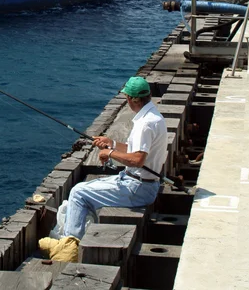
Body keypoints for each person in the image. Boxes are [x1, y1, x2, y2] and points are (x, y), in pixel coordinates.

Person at [39, 76, 168, 262]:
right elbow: (136, 151)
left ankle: (69, 248)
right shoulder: (154, 116)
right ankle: (76, 238)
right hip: (140, 184)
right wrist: (112, 143)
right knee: (88, 190)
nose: (126, 101)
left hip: (137, 189)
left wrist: (109, 153)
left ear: (133, 99)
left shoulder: (144, 124)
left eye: (127, 98)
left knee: (78, 193)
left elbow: (137, 160)